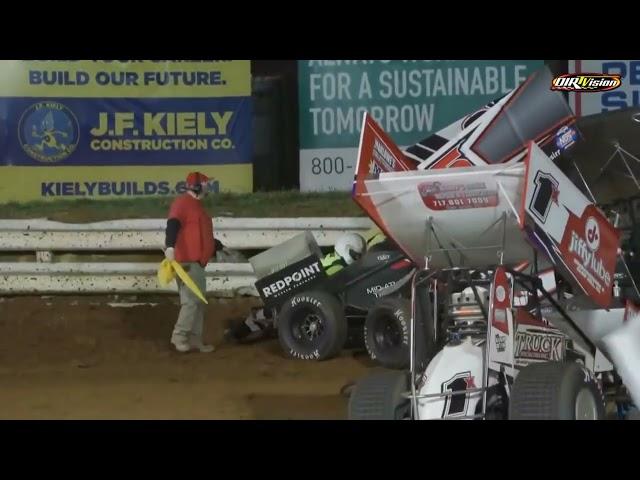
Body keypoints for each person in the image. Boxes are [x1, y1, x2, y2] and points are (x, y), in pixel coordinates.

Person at [228, 232, 369, 342]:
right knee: (270, 313)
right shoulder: (338, 267)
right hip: (306, 297)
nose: (358, 258)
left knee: (270, 313)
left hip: (305, 295)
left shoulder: (334, 259)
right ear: (346, 249)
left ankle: (250, 323)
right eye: (356, 255)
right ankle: (244, 327)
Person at [164, 171, 220, 353]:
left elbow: (200, 233)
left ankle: (195, 339)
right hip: (188, 263)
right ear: (197, 186)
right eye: (205, 184)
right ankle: (179, 336)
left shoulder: (197, 207)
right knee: (190, 302)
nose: (208, 187)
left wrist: (216, 246)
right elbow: (173, 224)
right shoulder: (182, 204)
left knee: (199, 302)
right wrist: (170, 247)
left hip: (198, 264)